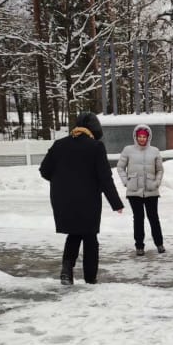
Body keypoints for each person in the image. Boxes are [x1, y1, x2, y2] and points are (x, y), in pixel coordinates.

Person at [38, 109, 124, 285]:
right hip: (88, 200)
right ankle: (90, 278)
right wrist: (116, 203)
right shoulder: (96, 147)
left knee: (74, 234)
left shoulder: (59, 144)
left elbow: (44, 170)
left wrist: (62, 183)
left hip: (63, 200)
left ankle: (66, 271)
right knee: (90, 237)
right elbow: (105, 178)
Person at [117, 123, 166, 253]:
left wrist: (156, 183)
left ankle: (159, 243)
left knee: (154, 218)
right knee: (138, 218)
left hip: (151, 190)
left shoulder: (155, 151)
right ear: (135, 137)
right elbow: (120, 167)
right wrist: (126, 182)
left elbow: (160, 170)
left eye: (144, 137)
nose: (142, 139)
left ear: (148, 137)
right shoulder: (128, 150)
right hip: (134, 191)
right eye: (140, 137)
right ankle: (139, 246)